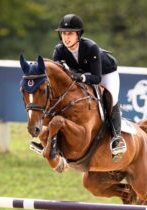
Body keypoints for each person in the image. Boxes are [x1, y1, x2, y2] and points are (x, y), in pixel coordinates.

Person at [52, 14, 127, 162]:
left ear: (78, 34)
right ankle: (51, 139)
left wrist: (81, 77)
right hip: (80, 74)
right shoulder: (59, 50)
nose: (66, 37)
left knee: (111, 98)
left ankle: (116, 138)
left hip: (105, 72)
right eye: (64, 33)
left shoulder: (90, 47)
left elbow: (97, 78)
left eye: (70, 33)